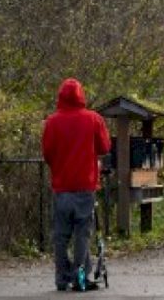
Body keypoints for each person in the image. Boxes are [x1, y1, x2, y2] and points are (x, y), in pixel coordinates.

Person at [42, 78, 110, 292]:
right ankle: (80, 277)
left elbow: (47, 154)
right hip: (85, 185)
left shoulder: (52, 122)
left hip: (61, 187)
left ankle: (62, 278)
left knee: (61, 235)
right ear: (81, 96)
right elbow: (105, 146)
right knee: (83, 233)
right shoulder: (93, 119)